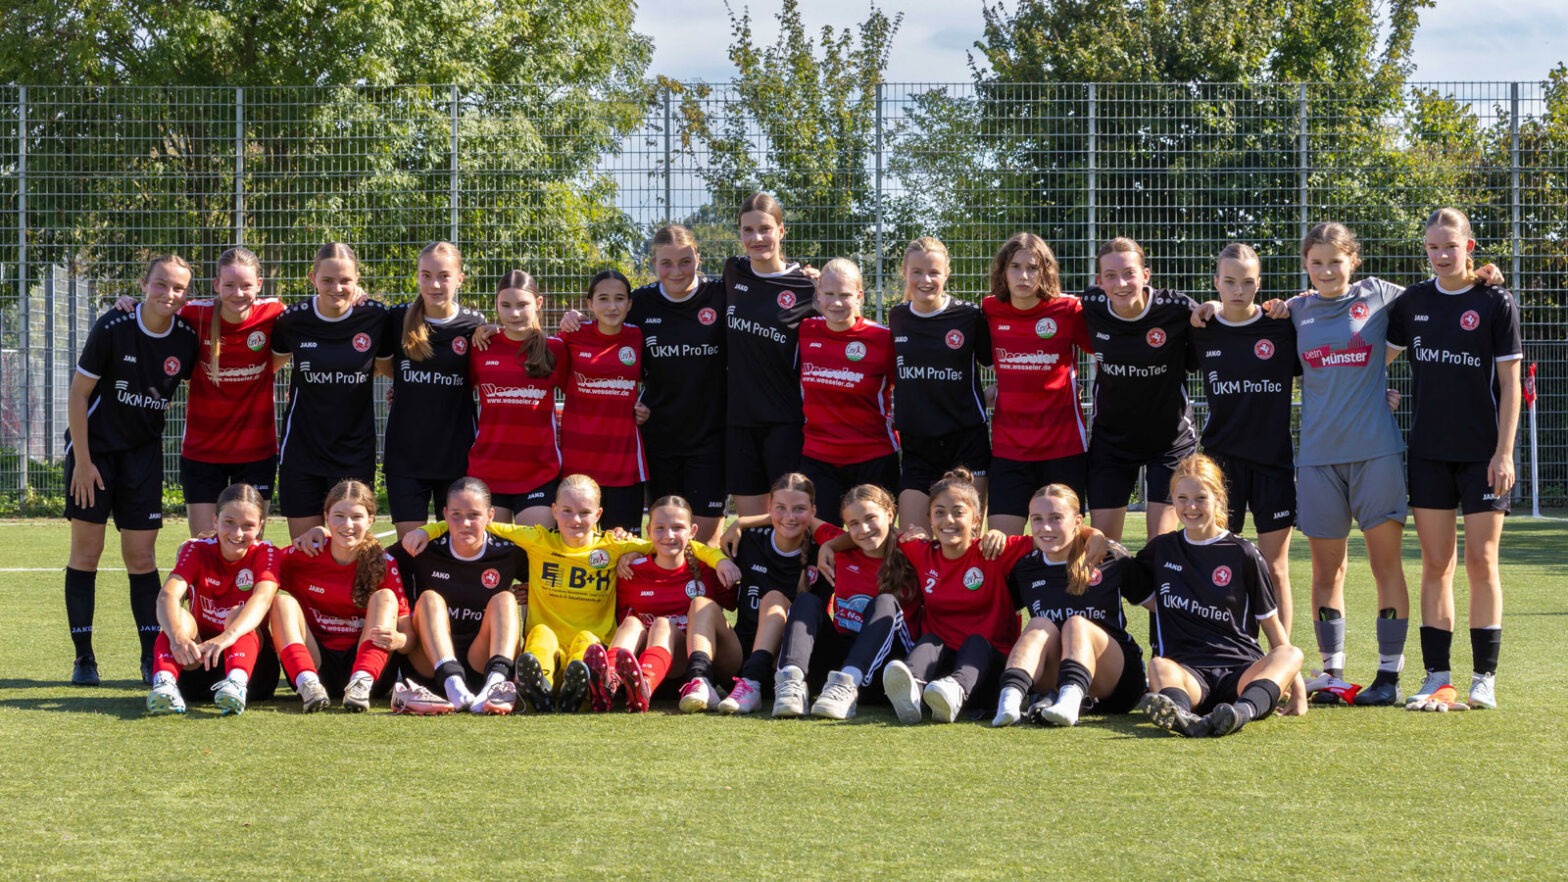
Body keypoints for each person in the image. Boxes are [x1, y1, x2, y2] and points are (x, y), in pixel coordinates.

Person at [402, 474, 736, 713]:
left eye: (585, 513)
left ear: (599, 515)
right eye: (567, 512)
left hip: (591, 645)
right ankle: (539, 687)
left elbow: (676, 542)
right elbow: (474, 521)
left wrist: (719, 558)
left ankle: (581, 687)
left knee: (588, 640)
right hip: (545, 643)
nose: (575, 520)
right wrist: (429, 528)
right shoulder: (537, 539)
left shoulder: (614, 545)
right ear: (554, 511)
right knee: (541, 637)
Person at [1388, 208, 1522, 711]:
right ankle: (1436, 674)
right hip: (1427, 455)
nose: (1442, 255)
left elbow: (1509, 385)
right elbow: (1373, 360)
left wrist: (1504, 453)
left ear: (1469, 247)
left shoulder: (1495, 302)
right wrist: (1379, 387)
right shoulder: (1413, 302)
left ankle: (1483, 677)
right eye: (1433, 247)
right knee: (1436, 564)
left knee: (1482, 561)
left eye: (1451, 246)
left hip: (1483, 457)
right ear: (1425, 249)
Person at [64, 254, 200, 686]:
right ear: (145, 283)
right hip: (95, 456)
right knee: (87, 553)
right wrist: (82, 464)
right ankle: (84, 659)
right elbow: (78, 396)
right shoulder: (113, 326)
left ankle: (149, 658)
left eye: (178, 288)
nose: (169, 294)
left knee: (141, 558)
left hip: (143, 458)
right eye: (161, 284)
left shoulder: (185, 338)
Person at [1190, 243, 1307, 715]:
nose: (1239, 289)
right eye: (1229, 281)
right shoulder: (1200, 328)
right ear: (1216, 282)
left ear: (1260, 283)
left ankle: (1281, 668)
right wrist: (1205, 310)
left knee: (1274, 565)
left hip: (1274, 462)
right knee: (1226, 565)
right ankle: (1231, 662)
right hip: (1221, 466)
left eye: (1248, 281)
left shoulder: (1282, 325)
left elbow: (1330, 357)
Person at [1132, 454, 1303, 737]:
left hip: (1239, 673)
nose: (1191, 507)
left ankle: (1239, 714)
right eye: (1182, 498)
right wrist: (1097, 538)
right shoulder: (1161, 550)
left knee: (1290, 653)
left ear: (1218, 498)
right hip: (1187, 673)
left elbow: (1273, 627)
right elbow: (1122, 570)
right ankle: (1184, 717)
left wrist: (1295, 687)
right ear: (1172, 499)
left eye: (1200, 497)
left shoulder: (1243, 553)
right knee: (1158, 665)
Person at [880, 469, 1036, 723]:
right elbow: (873, 530)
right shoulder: (920, 551)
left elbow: (1050, 538)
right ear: (930, 519)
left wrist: (1094, 536)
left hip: (988, 672)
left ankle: (955, 692)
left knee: (976, 643)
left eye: (958, 512)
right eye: (939, 512)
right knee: (931, 640)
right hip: (939, 675)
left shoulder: (992, 550)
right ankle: (911, 690)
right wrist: (830, 546)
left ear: (976, 519)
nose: (948, 520)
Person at [991, 484, 1147, 728]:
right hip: (1054, 676)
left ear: (1077, 521)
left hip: (1117, 682)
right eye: (1037, 519)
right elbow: (997, 616)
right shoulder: (1025, 568)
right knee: (1040, 624)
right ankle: (1009, 703)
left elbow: (1160, 604)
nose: (1046, 528)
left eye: (1056, 518)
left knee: (1077, 624)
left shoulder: (1108, 557)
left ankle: (1069, 703)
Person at [679, 473, 835, 714]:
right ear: (769, 508)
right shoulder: (748, 541)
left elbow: (849, 536)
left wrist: (743, 520)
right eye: (780, 508)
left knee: (773, 597)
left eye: (799, 509)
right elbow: (725, 597)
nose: (789, 517)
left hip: (788, 667)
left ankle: (753, 682)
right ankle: (700, 681)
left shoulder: (824, 550)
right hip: (739, 657)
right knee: (701, 603)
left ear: (813, 511)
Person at [1080, 237, 1199, 543]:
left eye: (1129, 273)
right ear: (1099, 281)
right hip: (1112, 442)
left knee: (1159, 545)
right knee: (1100, 546)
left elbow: (1223, 321)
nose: (1121, 283)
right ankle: (1111, 592)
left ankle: (1156, 593)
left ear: (1146, 275)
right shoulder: (1091, 306)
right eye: (1110, 275)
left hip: (1170, 443)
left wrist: (1212, 305)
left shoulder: (1176, 308)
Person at [271, 243, 392, 540]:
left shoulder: (375, 317)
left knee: (349, 549)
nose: (336, 288)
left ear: (357, 279)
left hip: (353, 451)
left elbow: (389, 369)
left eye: (345, 280)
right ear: (313, 278)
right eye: (327, 280)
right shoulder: (293, 320)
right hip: (302, 450)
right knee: (306, 550)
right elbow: (268, 367)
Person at [770, 484, 919, 719]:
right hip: (835, 670)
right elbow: (802, 518)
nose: (864, 529)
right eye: (854, 524)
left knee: (885, 602)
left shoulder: (912, 550)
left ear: (890, 514)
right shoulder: (839, 544)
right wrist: (740, 523)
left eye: (871, 518)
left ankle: (849, 683)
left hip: (885, 672)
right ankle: (791, 682)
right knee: (807, 601)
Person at [981, 233, 1094, 535]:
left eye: (1033, 268)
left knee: (1065, 547)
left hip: (1064, 447)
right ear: (1003, 271)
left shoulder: (1069, 310)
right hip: (1009, 449)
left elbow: (1110, 347)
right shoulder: (989, 310)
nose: (1024, 275)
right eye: (1015, 267)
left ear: (1046, 271)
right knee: (1001, 548)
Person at [271, 479, 411, 712]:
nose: (348, 525)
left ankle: (361, 683)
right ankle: (307, 685)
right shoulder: (304, 553)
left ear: (371, 520)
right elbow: (258, 567)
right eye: (339, 515)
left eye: (356, 517)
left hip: (367, 666)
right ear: (326, 517)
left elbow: (410, 636)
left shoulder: (385, 563)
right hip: (316, 666)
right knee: (281, 601)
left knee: (385, 597)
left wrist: (400, 640)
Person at [629, 226, 729, 544]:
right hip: (659, 437)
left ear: (698, 257)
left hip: (711, 438)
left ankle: (707, 594)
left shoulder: (721, 294)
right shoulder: (640, 303)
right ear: (653, 263)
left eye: (685, 261)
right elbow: (607, 342)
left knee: (706, 542)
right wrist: (573, 319)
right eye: (666, 263)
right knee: (667, 537)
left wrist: (803, 282)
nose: (676, 271)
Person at [393, 477, 526, 715]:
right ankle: (453, 683)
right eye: (456, 514)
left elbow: (550, 573)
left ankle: (496, 685)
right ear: (444, 514)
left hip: (480, 662)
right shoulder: (424, 546)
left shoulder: (508, 553)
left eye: (474, 515)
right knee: (430, 598)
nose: (465, 523)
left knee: (505, 599)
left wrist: (535, 592)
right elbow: (372, 562)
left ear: (490, 515)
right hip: (430, 666)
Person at [147, 483, 280, 715]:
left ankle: (236, 685)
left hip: (254, 672)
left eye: (248, 526)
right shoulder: (196, 550)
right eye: (229, 522)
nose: (237, 534)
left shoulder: (267, 553)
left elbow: (262, 598)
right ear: (215, 520)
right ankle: (164, 683)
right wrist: (178, 637)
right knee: (176, 616)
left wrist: (228, 637)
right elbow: (167, 595)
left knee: (239, 613)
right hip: (197, 664)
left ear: (260, 526)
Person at [724, 193, 819, 516]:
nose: (757, 238)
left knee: (789, 519)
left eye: (765, 229)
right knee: (751, 525)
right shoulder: (733, 273)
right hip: (739, 420)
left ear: (781, 231)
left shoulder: (807, 287)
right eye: (748, 230)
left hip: (785, 422)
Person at [887, 237, 992, 530]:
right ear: (904, 273)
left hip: (966, 441)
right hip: (918, 445)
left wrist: (989, 397)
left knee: (965, 538)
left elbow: (1004, 364)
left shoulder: (969, 316)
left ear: (947, 273)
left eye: (934, 272)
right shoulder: (897, 318)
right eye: (917, 272)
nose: (926, 279)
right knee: (913, 540)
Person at [381, 242, 483, 538]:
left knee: (454, 548)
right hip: (405, 456)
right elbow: (386, 367)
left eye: (444, 276)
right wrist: (403, 387)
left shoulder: (474, 325)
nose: (434, 284)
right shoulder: (396, 319)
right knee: (411, 550)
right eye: (426, 275)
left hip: (456, 457)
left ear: (460, 278)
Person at [797, 258, 898, 524]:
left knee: (872, 544)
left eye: (845, 295)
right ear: (818, 294)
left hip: (872, 456)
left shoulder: (884, 339)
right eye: (829, 294)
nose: (836, 303)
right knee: (821, 543)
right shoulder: (805, 332)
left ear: (860, 296)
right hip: (818, 457)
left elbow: (912, 385)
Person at [608, 495, 729, 712]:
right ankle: (608, 681)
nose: (669, 535)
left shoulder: (708, 568)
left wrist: (725, 559)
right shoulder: (629, 570)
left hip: (691, 669)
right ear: (648, 531)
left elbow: (733, 606)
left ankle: (645, 684)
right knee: (631, 624)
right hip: (651, 663)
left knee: (663, 624)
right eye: (660, 528)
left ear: (692, 531)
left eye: (677, 527)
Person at [467, 270, 566, 526]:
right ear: (496, 305)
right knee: (492, 557)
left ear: (538, 303)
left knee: (531, 553)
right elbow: (453, 392)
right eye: (506, 305)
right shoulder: (481, 347)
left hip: (539, 473)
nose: (514, 314)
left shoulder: (555, 349)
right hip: (488, 471)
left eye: (522, 305)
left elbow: (583, 394)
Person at [560, 270, 647, 534]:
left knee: (623, 549)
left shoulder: (638, 336)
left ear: (629, 304)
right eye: (603, 298)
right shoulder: (572, 336)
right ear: (590, 303)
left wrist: (646, 403)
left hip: (624, 460)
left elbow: (663, 377)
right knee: (576, 547)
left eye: (619, 299)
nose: (612, 306)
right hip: (578, 461)